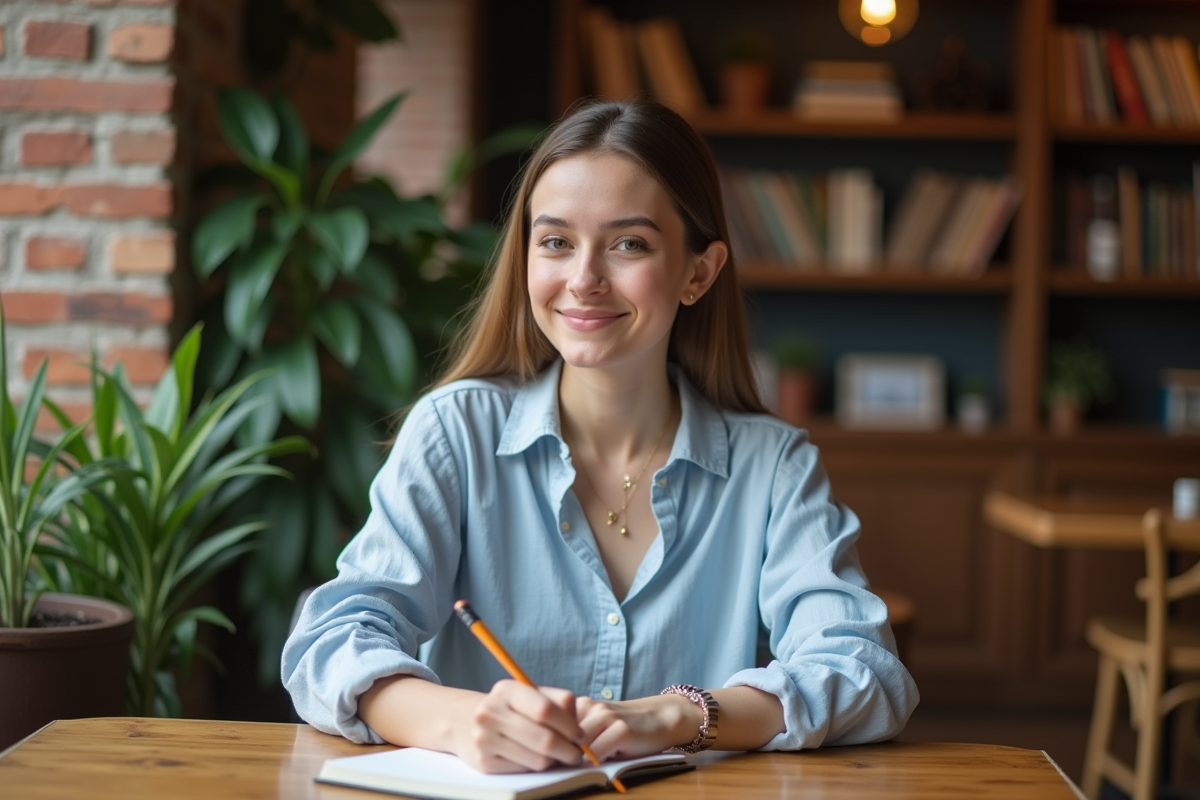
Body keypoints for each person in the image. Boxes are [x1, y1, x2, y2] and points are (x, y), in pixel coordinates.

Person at [282, 100, 918, 773]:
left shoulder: (774, 468)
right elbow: (331, 642)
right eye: (555, 241)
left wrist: (677, 715)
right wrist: (464, 721)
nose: (583, 279)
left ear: (698, 272)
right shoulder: (455, 432)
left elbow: (865, 673)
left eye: (628, 244)